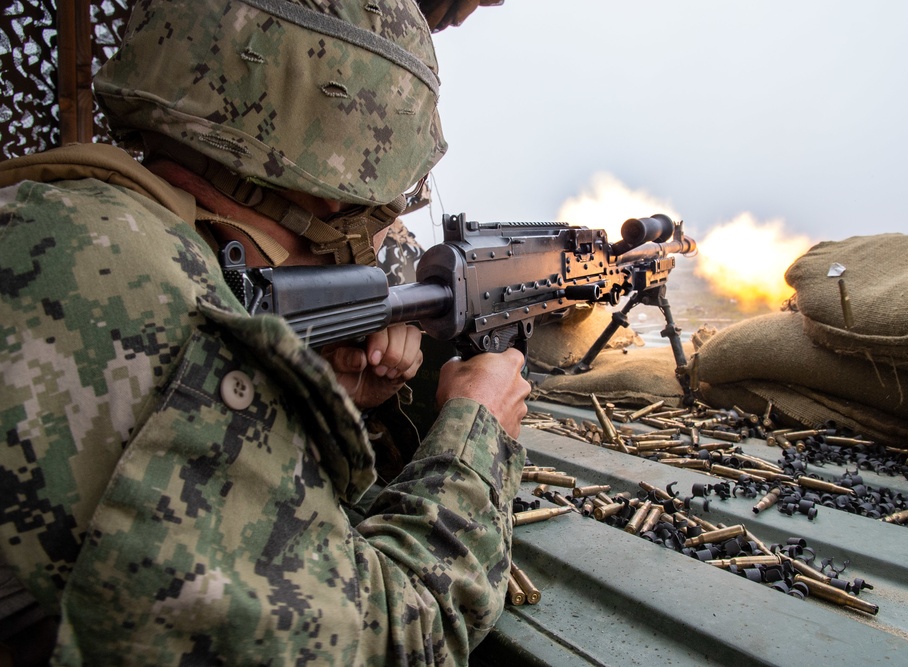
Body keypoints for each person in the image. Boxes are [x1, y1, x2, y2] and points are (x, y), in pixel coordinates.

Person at [0, 0, 531, 664]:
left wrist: (331, 404)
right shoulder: (156, 304)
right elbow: (386, 638)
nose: (373, 233)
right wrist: (478, 428)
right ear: (333, 192)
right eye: (383, 202)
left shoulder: (63, 218)